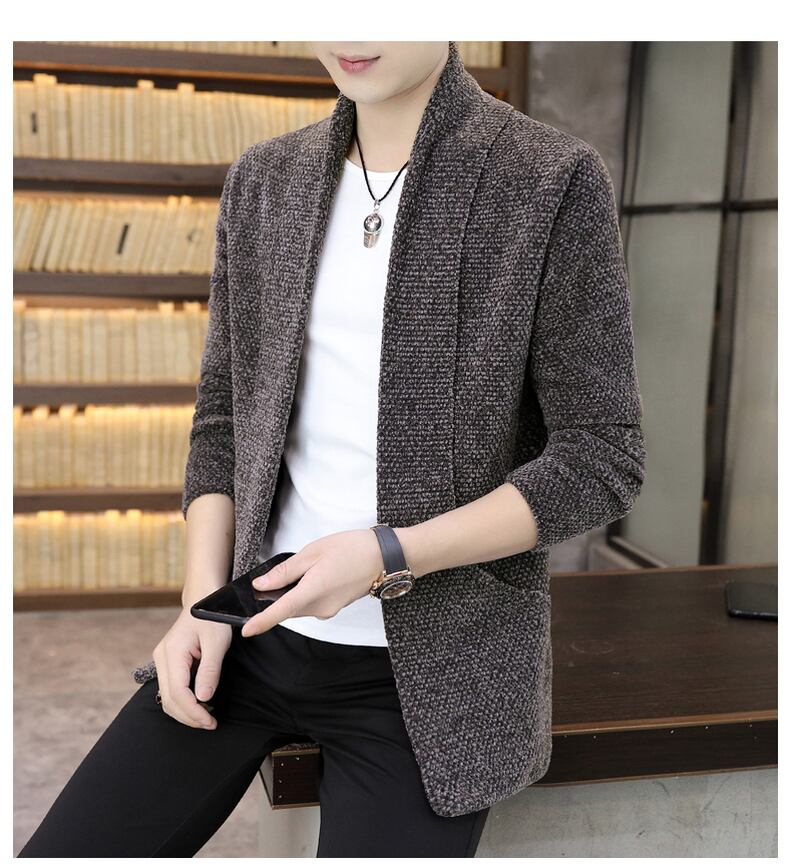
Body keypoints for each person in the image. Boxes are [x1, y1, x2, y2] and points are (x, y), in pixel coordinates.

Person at [19, 40, 645, 857]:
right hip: (249, 632)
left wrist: (387, 554)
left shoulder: (548, 179)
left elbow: (601, 458)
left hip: (431, 676)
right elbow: (224, 420)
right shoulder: (265, 179)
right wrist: (200, 605)